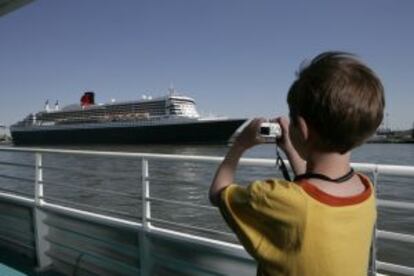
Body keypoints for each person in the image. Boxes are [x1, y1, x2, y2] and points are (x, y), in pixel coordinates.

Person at [209, 52, 385, 276]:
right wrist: (291, 148)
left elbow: (218, 194)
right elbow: (313, 191)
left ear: (301, 128)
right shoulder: (365, 190)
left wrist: (240, 145)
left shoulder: (276, 198)